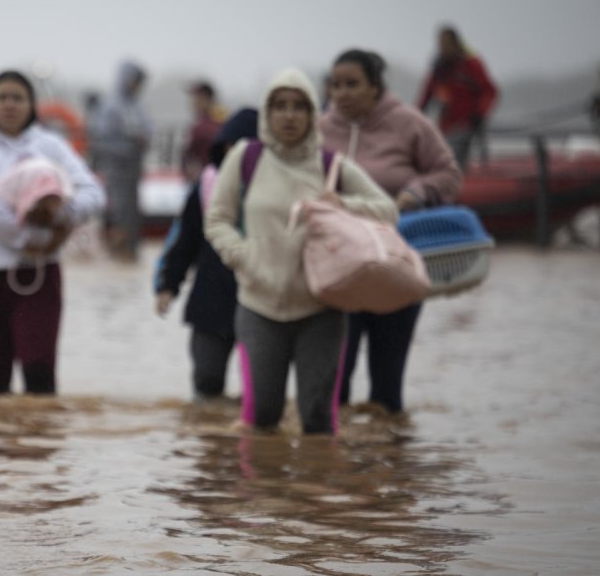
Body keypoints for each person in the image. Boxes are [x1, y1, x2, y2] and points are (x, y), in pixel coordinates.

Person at [204, 68, 397, 434]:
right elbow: (217, 219)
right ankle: (264, 475)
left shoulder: (331, 164)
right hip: (258, 305)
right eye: (279, 106)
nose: (289, 115)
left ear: (312, 114)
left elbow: (387, 211)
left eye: (299, 106)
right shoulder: (246, 157)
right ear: (267, 112)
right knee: (261, 418)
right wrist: (243, 257)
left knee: (318, 420)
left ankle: (317, 473)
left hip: (321, 307)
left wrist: (342, 203)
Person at [321, 49, 462, 414]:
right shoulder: (319, 130)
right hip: (338, 270)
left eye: (352, 84)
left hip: (397, 268)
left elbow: (448, 173)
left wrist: (416, 192)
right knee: (332, 387)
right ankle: (331, 452)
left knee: (386, 390)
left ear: (375, 86)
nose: (342, 93)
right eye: (335, 85)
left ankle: (390, 449)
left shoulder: (409, 123)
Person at [0, 70, 105, 394]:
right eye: (2, 97)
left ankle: (40, 429)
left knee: (40, 371)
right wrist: (34, 238)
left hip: (40, 274)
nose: (10, 104)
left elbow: (93, 194)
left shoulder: (51, 145)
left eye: (18, 98)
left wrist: (57, 216)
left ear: (31, 104)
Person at [154, 108, 257, 401]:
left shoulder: (274, 191)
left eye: (246, 147)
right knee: (207, 381)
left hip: (260, 299)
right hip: (211, 299)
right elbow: (185, 241)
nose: (236, 154)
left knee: (260, 390)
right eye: (231, 145)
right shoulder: (205, 188)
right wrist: (168, 286)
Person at [90, 60, 153, 261]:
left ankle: (131, 251)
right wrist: (128, 144)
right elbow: (101, 138)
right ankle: (116, 253)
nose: (137, 86)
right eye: (135, 80)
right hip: (115, 169)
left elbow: (148, 131)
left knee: (132, 211)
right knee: (116, 210)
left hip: (134, 169)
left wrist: (141, 141)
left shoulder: (138, 106)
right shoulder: (110, 106)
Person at [416, 25, 498, 169]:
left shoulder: (470, 64)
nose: (443, 47)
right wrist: (416, 114)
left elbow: (489, 91)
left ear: (455, 43)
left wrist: (480, 113)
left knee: (456, 160)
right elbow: (427, 94)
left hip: (467, 123)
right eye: (441, 44)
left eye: (446, 43)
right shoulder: (439, 67)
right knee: (443, 157)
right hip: (446, 124)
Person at [179, 81, 224, 181]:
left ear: (206, 99)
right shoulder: (219, 118)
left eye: (196, 97)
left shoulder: (207, 125)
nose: (193, 102)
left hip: (209, 179)